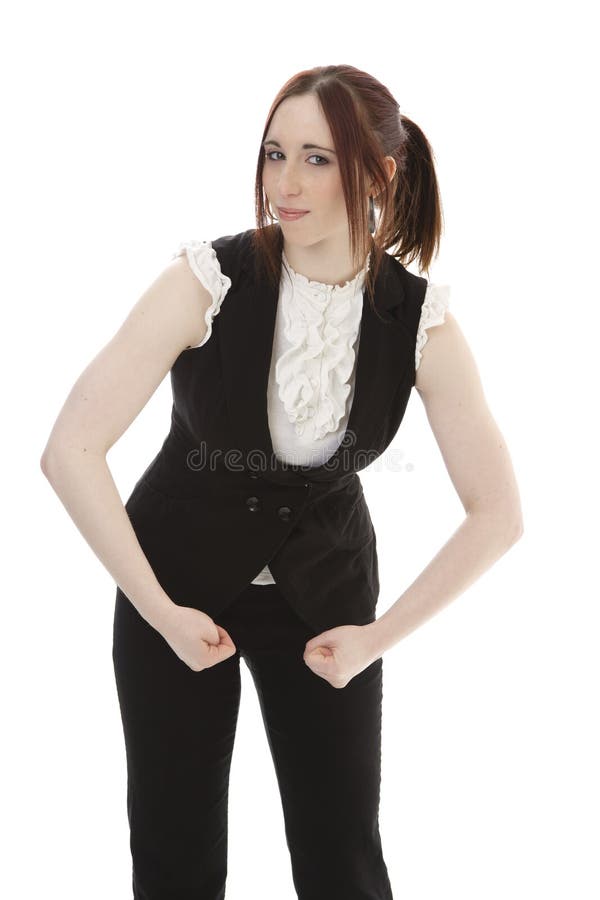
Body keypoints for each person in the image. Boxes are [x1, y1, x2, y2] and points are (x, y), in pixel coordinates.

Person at [40, 64, 524, 900]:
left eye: (316, 158)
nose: (283, 184)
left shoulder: (421, 321)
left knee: (343, 861)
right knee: (175, 857)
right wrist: (161, 612)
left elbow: (498, 513)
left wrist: (375, 639)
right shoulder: (207, 278)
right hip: (174, 587)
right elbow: (71, 449)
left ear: (378, 174)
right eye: (274, 154)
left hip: (325, 595)